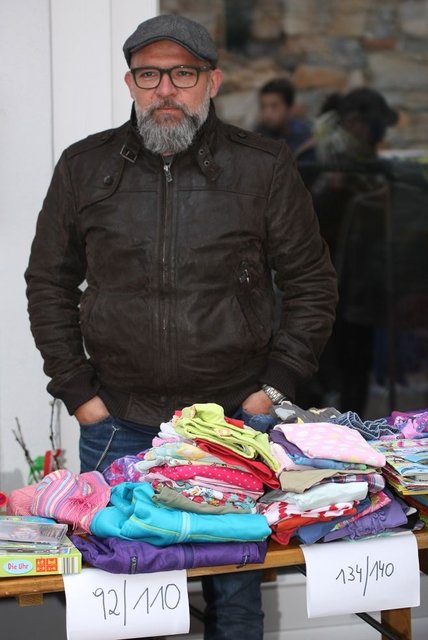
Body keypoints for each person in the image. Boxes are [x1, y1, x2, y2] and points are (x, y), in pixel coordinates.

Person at [25, 14, 338, 640]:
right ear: (130, 83)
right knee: (129, 603)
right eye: (149, 75)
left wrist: (271, 389)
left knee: (236, 601)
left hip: (233, 426)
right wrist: (80, 394)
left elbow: (312, 284)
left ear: (212, 81)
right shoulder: (84, 167)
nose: (165, 89)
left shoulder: (264, 167)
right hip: (118, 424)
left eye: (182, 74)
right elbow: (48, 284)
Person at [309, 87, 399, 416]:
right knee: (322, 370)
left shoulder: (364, 163)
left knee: (355, 367)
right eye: (373, 128)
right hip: (323, 284)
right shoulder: (321, 157)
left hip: (359, 283)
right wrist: (334, 190)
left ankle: (352, 429)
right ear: (355, 123)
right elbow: (304, 222)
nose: (377, 136)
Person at [255, 77, 315, 162]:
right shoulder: (260, 132)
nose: (267, 113)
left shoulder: (302, 136)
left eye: (274, 106)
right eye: (263, 106)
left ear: (289, 108)